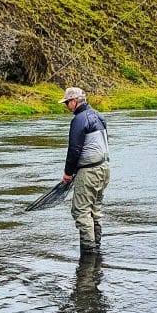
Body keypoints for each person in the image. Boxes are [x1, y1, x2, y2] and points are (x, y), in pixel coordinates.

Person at [60, 87, 110, 254]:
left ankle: (88, 255)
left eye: (67, 102)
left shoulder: (78, 120)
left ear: (74, 101)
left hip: (89, 172)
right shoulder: (99, 115)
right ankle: (97, 251)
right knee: (95, 210)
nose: (67, 106)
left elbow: (74, 150)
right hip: (104, 169)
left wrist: (68, 173)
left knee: (81, 212)